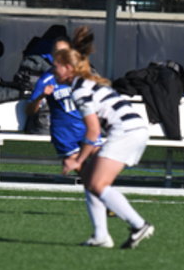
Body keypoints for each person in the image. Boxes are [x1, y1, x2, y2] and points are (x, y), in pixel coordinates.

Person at [53, 26, 155, 250]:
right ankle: (101, 236)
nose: (53, 71)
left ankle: (139, 225)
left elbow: (93, 131)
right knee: (90, 179)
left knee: (98, 184)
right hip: (133, 128)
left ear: (68, 68)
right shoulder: (84, 83)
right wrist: (83, 160)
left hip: (126, 131)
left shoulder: (79, 90)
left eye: (56, 66)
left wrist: (78, 160)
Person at [26, 37, 102, 159]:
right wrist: (42, 96)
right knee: (78, 168)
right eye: (57, 52)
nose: (60, 56)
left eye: (64, 52)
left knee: (100, 163)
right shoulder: (47, 79)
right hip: (64, 133)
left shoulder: (84, 75)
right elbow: (30, 111)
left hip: (86, 127)